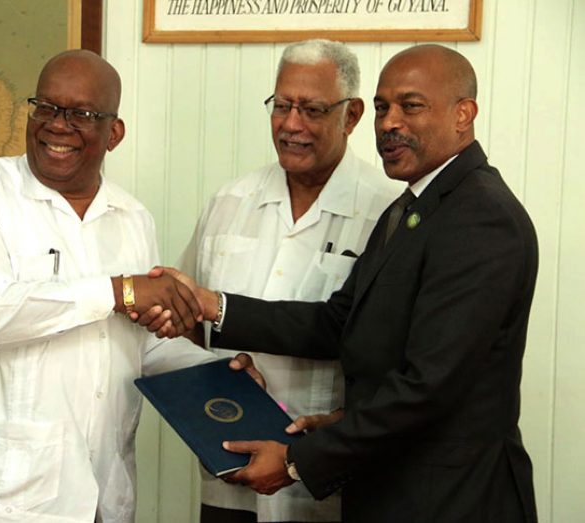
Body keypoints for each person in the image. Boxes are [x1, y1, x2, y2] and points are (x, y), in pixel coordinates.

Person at [146, 44, 539, 522]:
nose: (389, 122)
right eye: (382, 107)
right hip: (386, 489)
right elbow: (339, 321)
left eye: (410, 106)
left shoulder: (481, 217)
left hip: (451, 499)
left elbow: (430, 386)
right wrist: (213, 305)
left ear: (464, 114)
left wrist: (296, 463)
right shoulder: (413, 207)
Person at [0, 49, 254, 523]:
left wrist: (221, 375)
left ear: (113, 133)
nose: (57, 124)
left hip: (97, 496)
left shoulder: (132, 216)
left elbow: (137, 347)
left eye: (81, 114)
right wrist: (118, 291)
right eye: (47, 107)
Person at [177, 39, 399, 523]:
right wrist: (219, 375)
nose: (291, 124)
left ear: (352, 115)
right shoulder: (229, 201)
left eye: (313, 109)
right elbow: (187, 318)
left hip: (329, 491)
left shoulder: (387, 212)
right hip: (229, 476)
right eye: (282, 106)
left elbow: (392, 356)